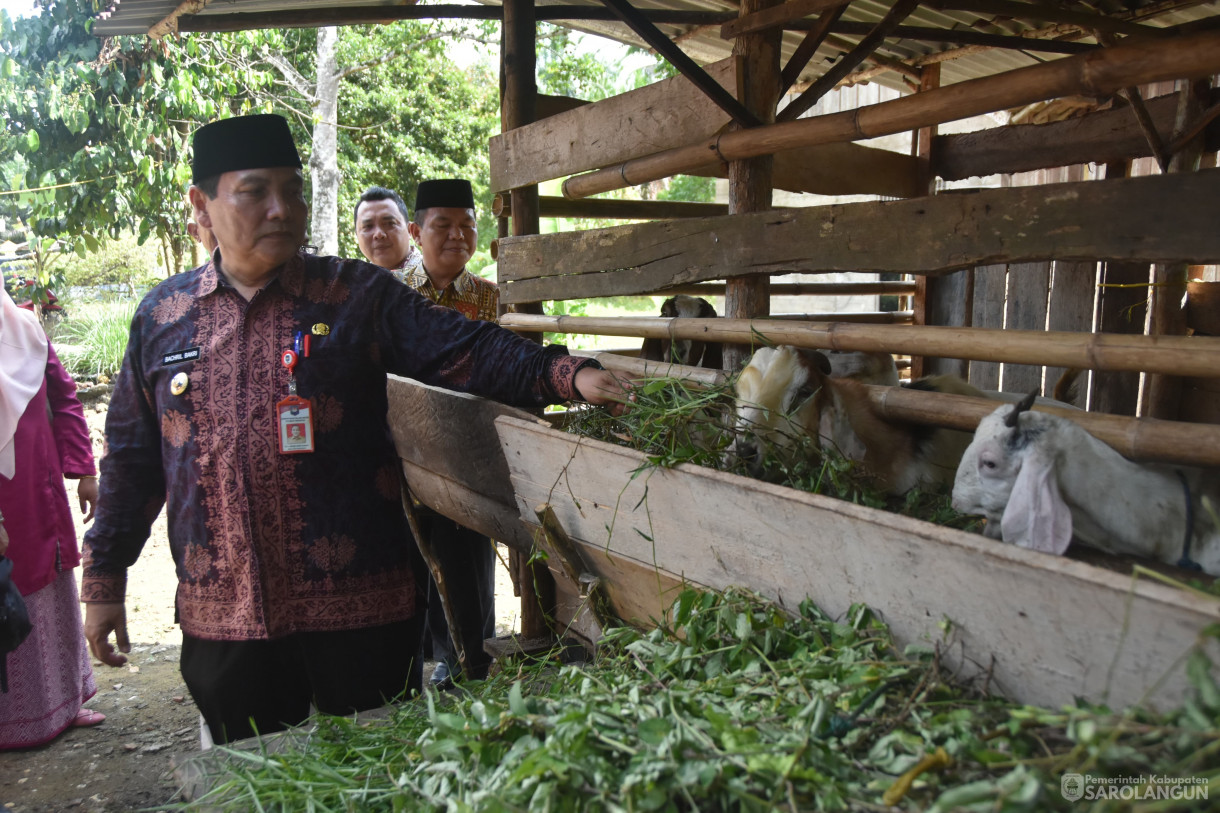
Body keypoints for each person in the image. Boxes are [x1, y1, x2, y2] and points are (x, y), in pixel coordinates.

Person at [81, 114, 630, 746]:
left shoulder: (354, 295)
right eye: (255, 191)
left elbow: (462, 347)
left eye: (292, 189)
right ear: (201, 203)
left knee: (374, 772)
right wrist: (104, 579)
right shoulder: (162, 317)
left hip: (365, 612)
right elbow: (130, 460)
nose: (281, 208)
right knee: (251, 776)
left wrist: (566, 373)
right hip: (225, 620)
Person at [393, 179, 498, 686]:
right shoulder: (389, 295)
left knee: (468, 563)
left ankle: (470, 663)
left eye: (467, 225)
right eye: (443, 225)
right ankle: (411, 667)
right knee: (407, 563)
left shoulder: (491, 299)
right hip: (399, 457)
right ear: (416, 231)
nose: (457, 235)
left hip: (467, 457)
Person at [0, 284, 103, 749]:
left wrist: (84, 470)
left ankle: (64, 703)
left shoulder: (27, 332)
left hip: (36, 491)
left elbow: (64, 400)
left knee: (48, 588)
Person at [354, 186, 421, 278]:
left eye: (389, 223)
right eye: (368, 226)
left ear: (410, 230)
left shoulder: (437, 276)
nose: (379, 234)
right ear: (357, 235)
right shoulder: (353, 285)